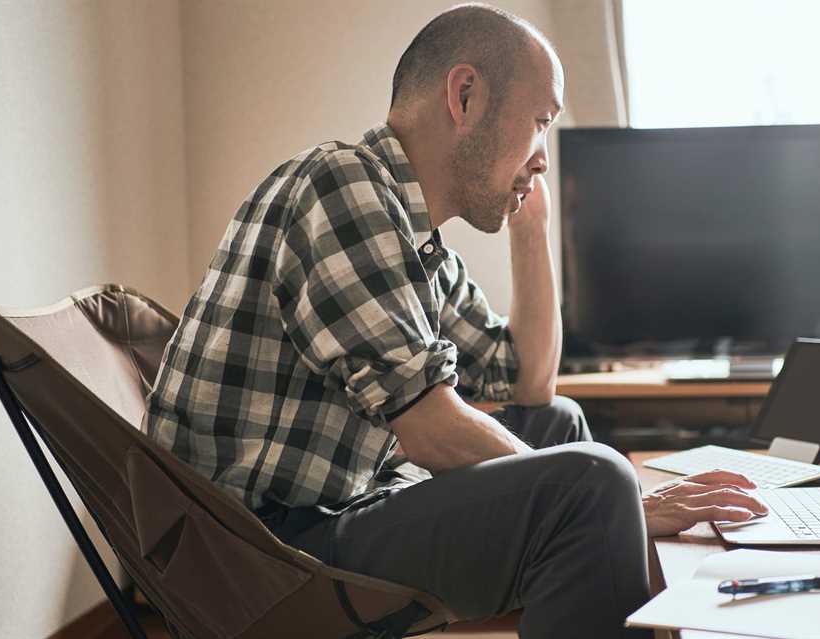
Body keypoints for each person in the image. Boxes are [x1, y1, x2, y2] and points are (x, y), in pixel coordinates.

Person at [143, 4, 767, 637]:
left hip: (325, 511)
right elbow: (430, 428)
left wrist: (532, 229)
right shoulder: (340, 185)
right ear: (465, 96)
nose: (544, 158)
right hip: (259, 556)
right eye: (540, 123)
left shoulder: (417, 243)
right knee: (595, 481)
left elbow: (527, 383)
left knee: (559, 424)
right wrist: (631, 500)